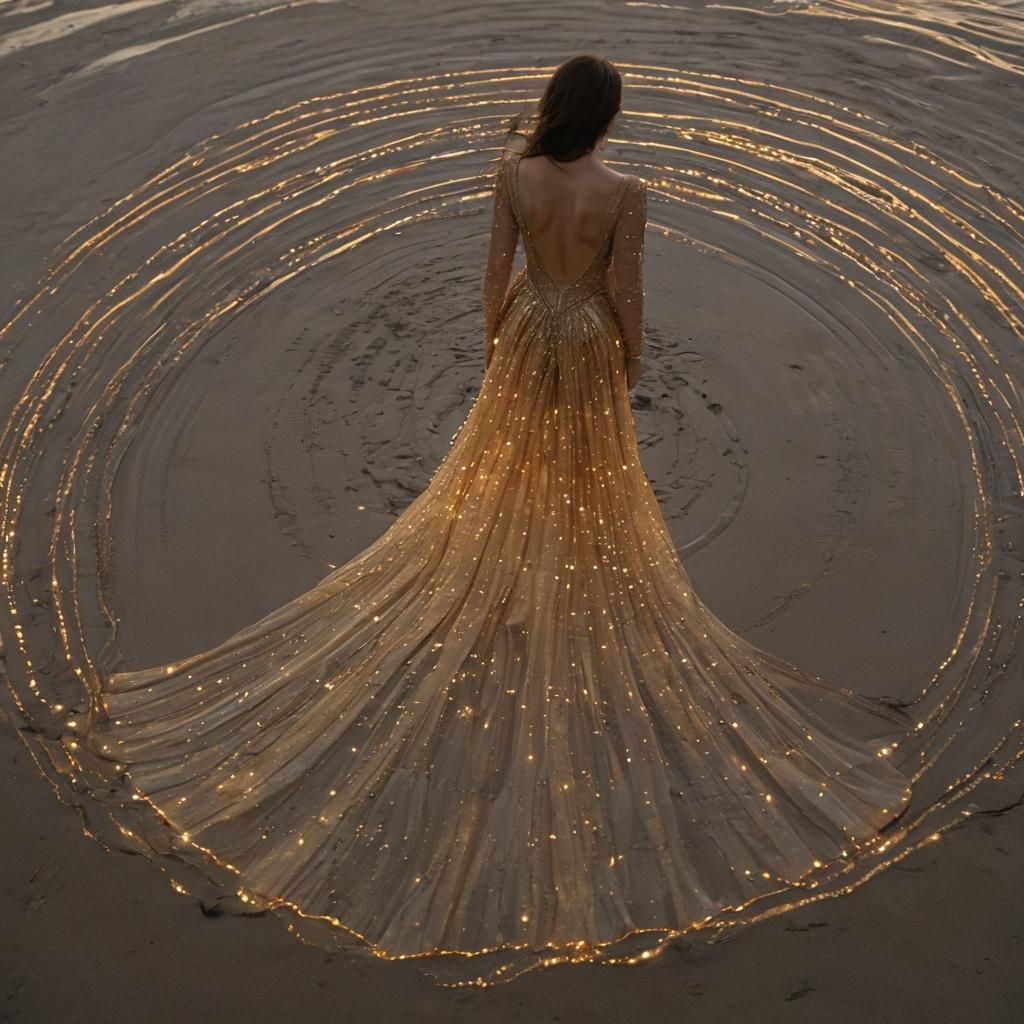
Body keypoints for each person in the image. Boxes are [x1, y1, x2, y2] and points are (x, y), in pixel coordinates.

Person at [82, 54, 913, 984]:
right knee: (589, 477)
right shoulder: (626, 193)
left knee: (507, 468)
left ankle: (511, 573)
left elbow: (493, 269)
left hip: (525, 330)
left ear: (554, 107)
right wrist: (631, 359)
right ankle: (562, 573)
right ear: (607, 116)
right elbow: (627, 290)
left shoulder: (512, 174)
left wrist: (494, 341)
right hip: (587, 336)